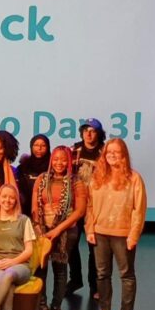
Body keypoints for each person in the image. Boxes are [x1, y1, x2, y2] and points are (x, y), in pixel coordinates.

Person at [86, 139, 147, 310]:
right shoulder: (97, 177)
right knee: (102, 274)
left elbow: (139, 209)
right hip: (100, 233)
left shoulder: (134, 178)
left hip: (123, 234)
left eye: (116, 151)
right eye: (108, 152)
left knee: (126, 274)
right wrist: (89, 229)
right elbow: (89, 206)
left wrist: (133, 235)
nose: (111, 155)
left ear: (124, 154)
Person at [31, 146, 86, 310]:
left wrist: (57, 229)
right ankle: (41, 306)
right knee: (40, 269)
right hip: (42, 230)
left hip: (65, 231)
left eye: (63, 159)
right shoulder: (42, 178)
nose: (59, 163)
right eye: (56, 159)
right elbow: (34, 207)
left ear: (69, 161)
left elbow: (79, 211)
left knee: (60, 269)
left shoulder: (76, 182)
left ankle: (55, 308)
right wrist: (38, 227)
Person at [69, 118, 106, 298]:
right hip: (75, 203)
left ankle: (94, 286)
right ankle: (75, 279)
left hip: (95, 205)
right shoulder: (73, 150)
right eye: (85, 131)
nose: (88, 134)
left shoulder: (105, 152)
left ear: (99, 133)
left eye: (92, 131)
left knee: (94, 247)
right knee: (70, 243)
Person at [16, 135, 51, 217]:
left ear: (48, 147)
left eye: (43, 145)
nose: (39, 148)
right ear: (31, 146)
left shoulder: (53, 166)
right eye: (36, 145)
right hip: (25, 210)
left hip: (48, 210)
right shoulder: (23, 167)